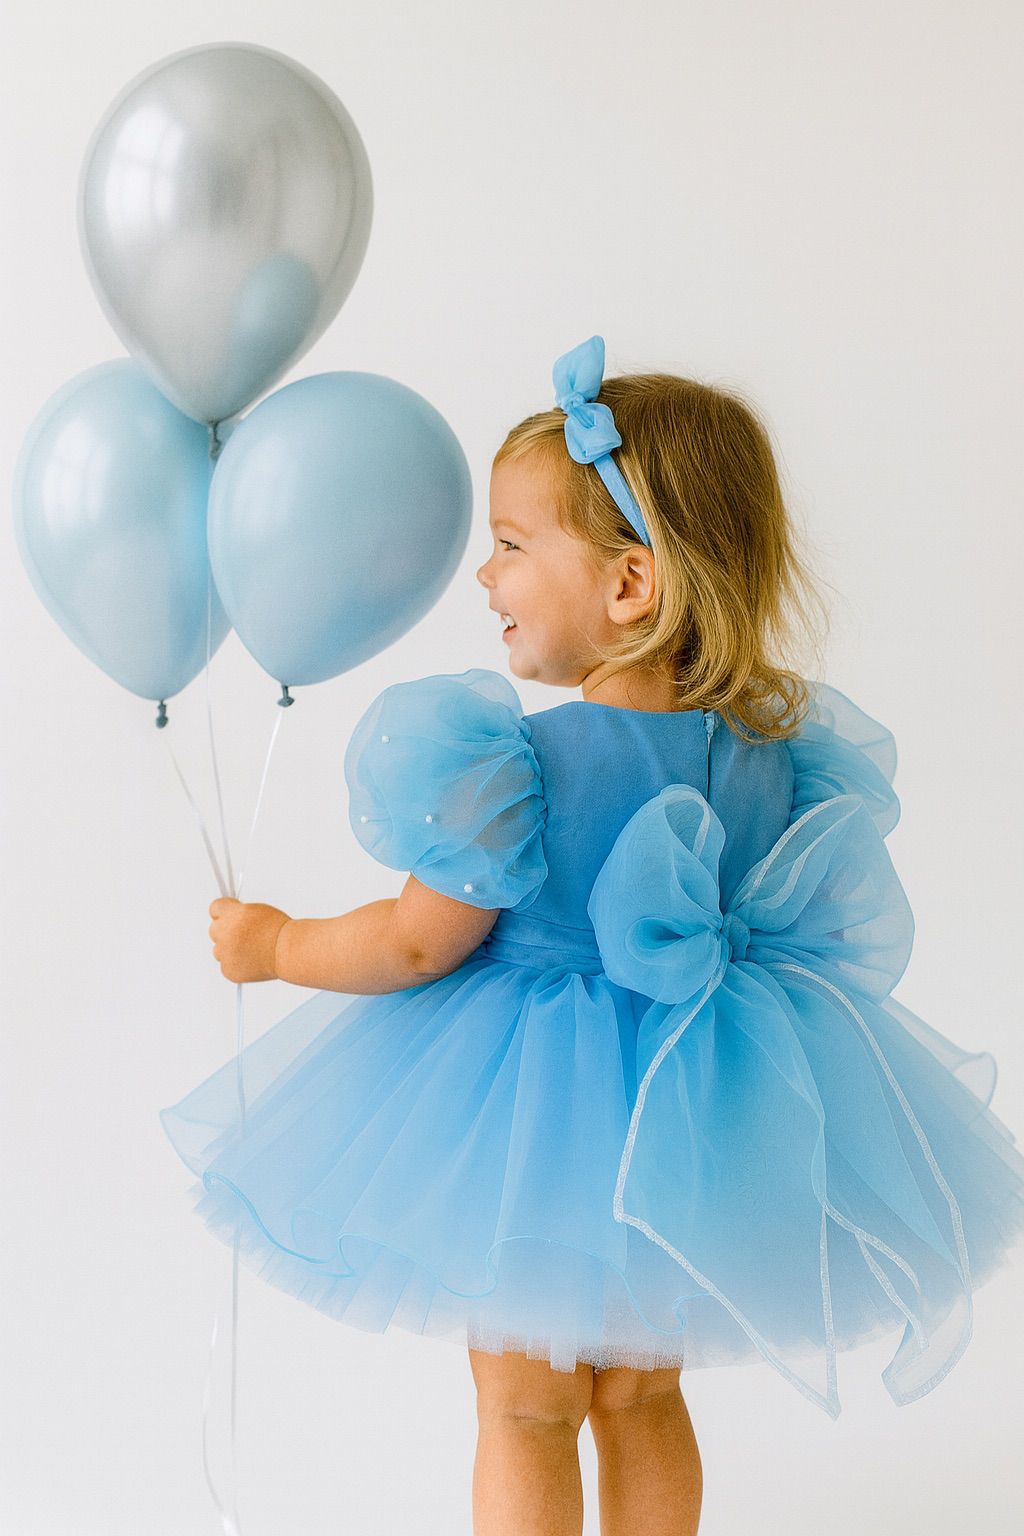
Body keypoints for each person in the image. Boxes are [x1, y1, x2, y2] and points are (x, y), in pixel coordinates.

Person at [161, 335, 1024, 1536]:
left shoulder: (518, 769)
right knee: (640, 1391)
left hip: (532, 1121)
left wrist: (275, 943)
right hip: (695, 1113)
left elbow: (418, 944)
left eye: (512, 548)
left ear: (628, 584)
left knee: (521, 1405)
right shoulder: (780, 757)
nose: (484, 576)